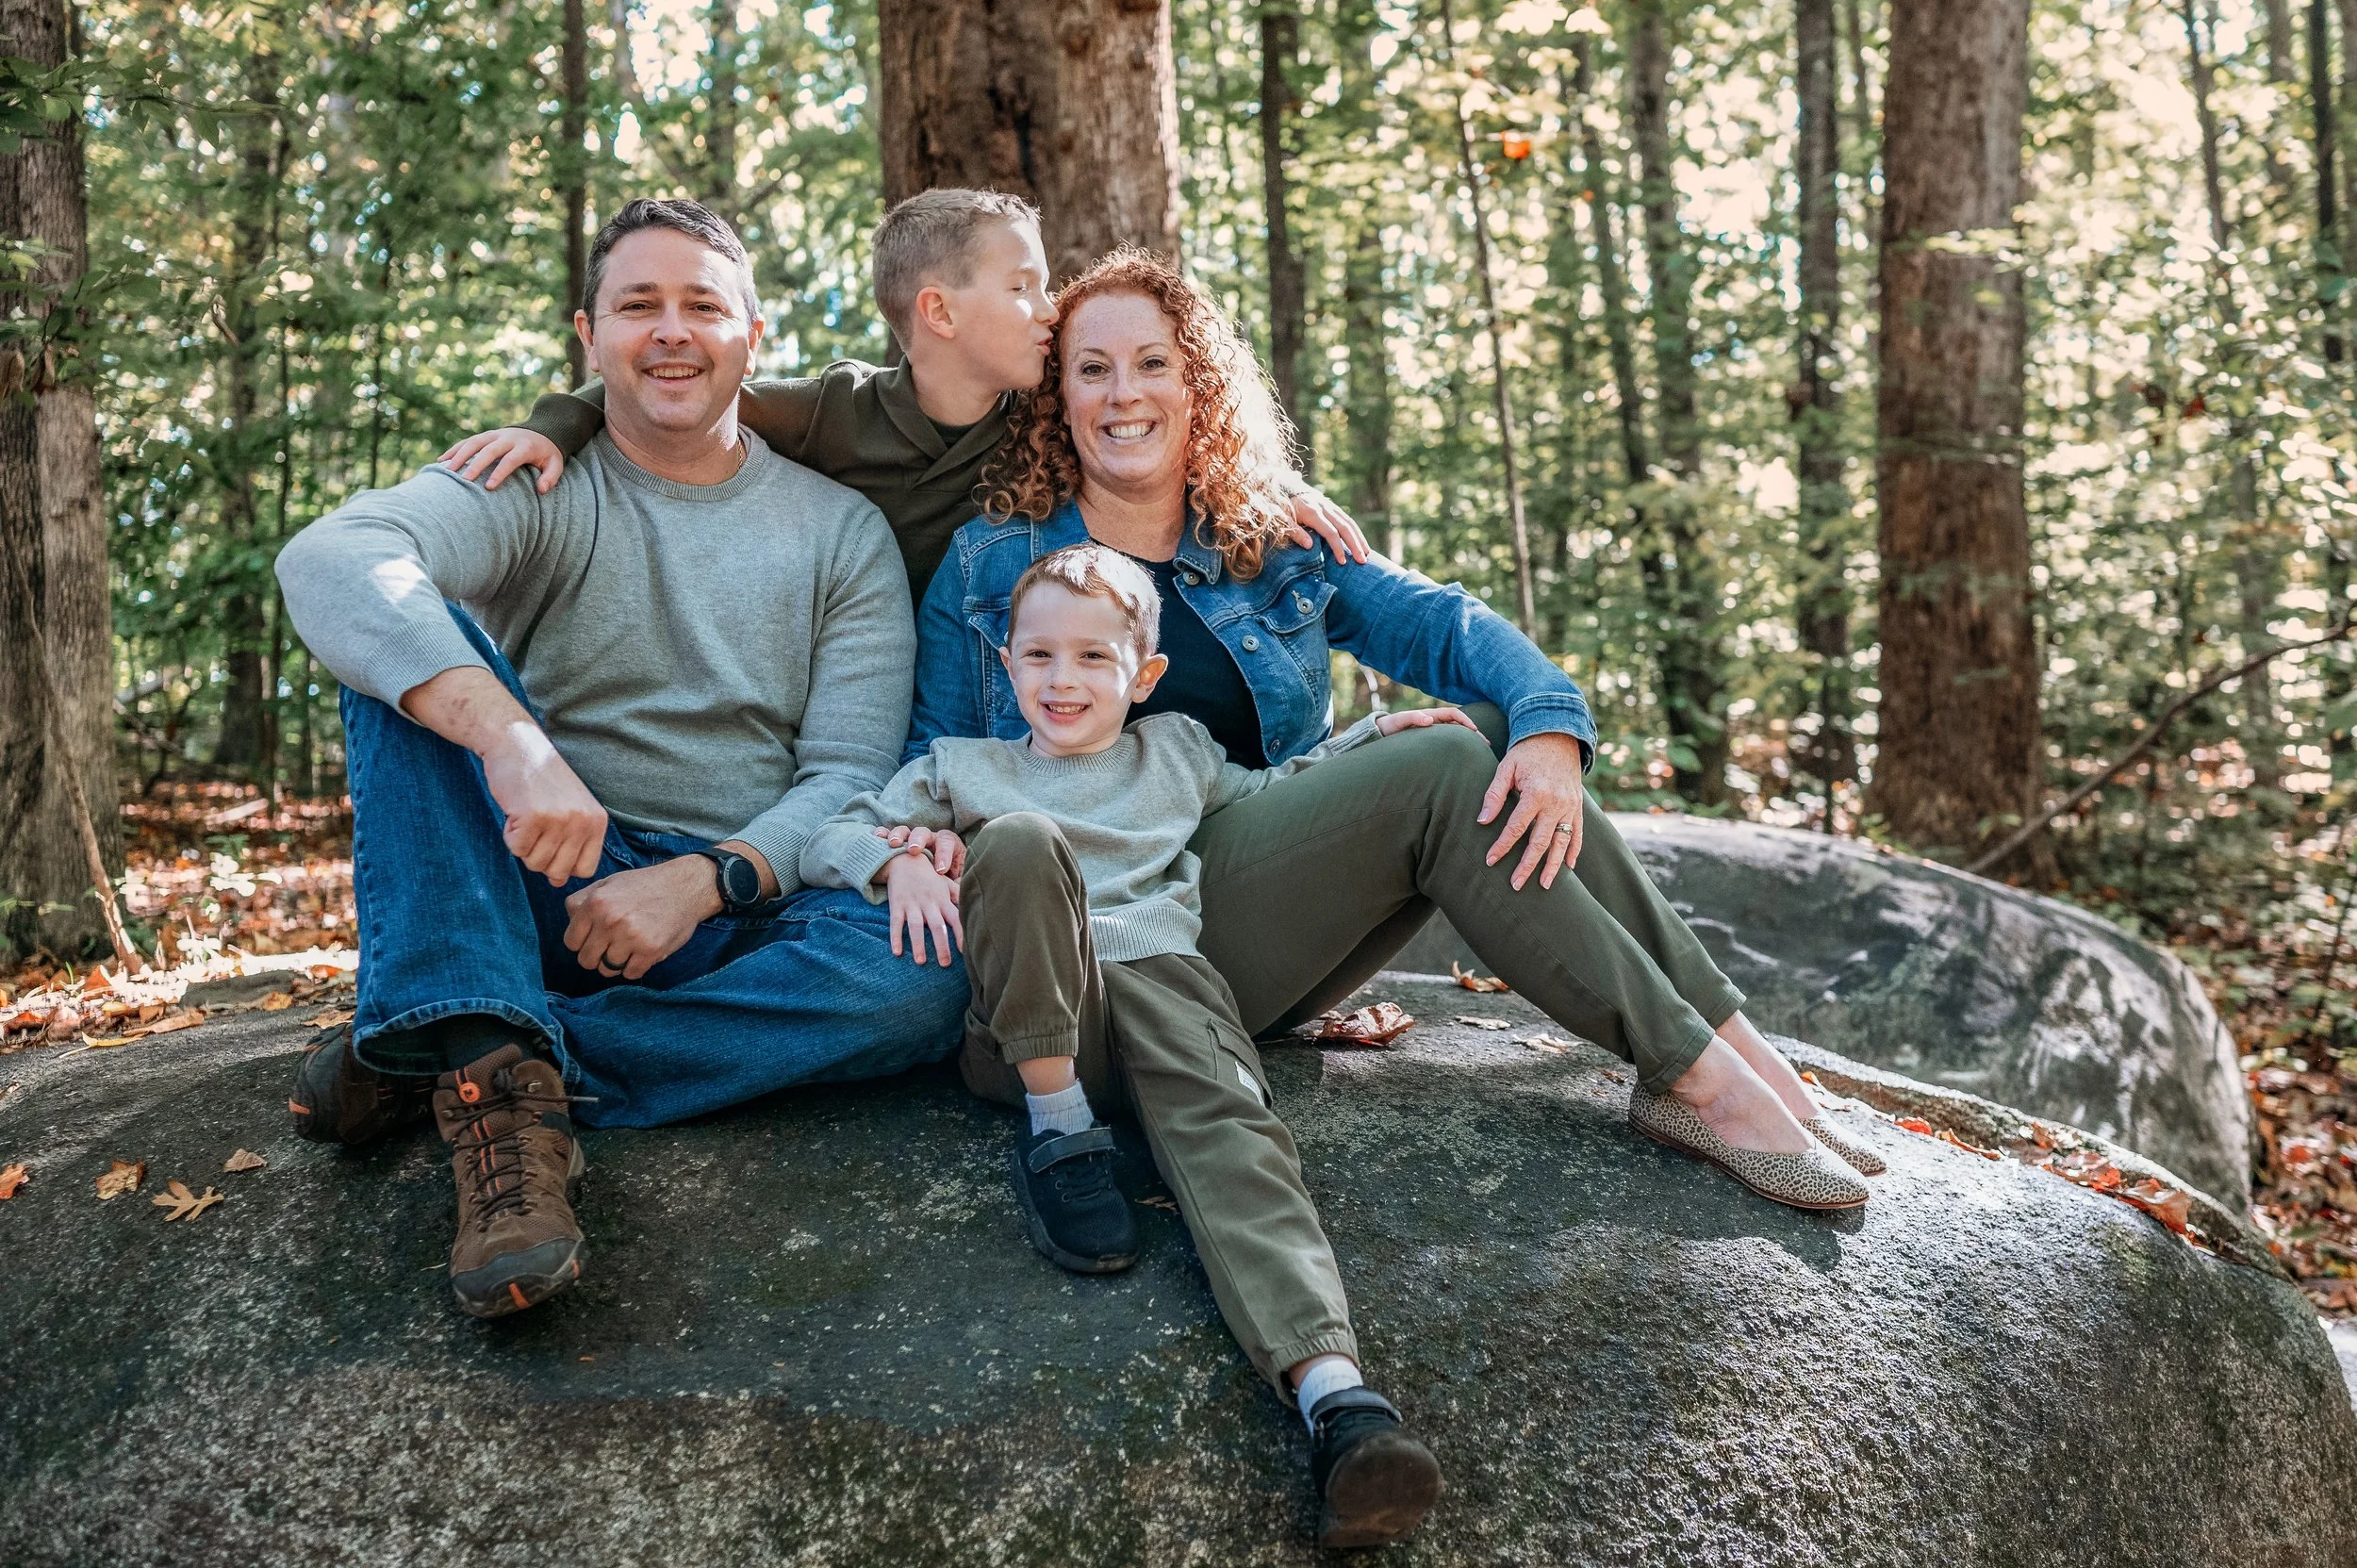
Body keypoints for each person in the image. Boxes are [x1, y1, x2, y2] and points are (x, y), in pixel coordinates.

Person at [907, 247, 1884, 1212]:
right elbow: (936, 758)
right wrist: (907, 849)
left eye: (1153, 362)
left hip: (1259, 919)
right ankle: (1701, 1082)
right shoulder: (993, 564)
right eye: (1092, 368)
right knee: (1443, 765)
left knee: (1497, 728)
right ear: (1057, 399)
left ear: (1198, 384)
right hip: (1112, 955)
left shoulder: (1266, 538)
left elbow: (1443, 623)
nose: (1124, 393)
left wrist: (1549, 729)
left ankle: (1741, 1056)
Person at [272, 197, 974, 1319]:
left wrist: (705, 880)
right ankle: (495, 1084)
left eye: (702, 305)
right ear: (587, 339)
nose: (670, 332)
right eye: (636, 305)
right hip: (542, 873)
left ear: (754, 335)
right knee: (406, 658)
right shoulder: (535, 484)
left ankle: (474, 1053)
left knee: (927, 974)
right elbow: (335, 556)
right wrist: (507, 737)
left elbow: (847, 777)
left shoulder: (841, 531)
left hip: (733, 908)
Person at [802, 544, 1456, 1549]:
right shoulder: (961, 768)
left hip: (1160, 989)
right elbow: (831, 833)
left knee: (1235, 1131)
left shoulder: (1179, 750)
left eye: (1093, 659)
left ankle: (1339, 1404)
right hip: (1028, 1027)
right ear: (1007, 660)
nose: (1062, 682)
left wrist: (1377, 735)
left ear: (1141, 673)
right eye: (1038, 656)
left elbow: (1275, 791)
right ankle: (1062, 1136)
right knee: (1017, 840)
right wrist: (896, 870)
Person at [437, 188, 1371, 605]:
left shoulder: (1052, 419)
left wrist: (1271, 489)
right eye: (1023, 287)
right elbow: (685, 386)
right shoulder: (836, 410)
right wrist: (552, 425)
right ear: (939, 311)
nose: (1051, 312)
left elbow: (1162, 437)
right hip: (869, 703)